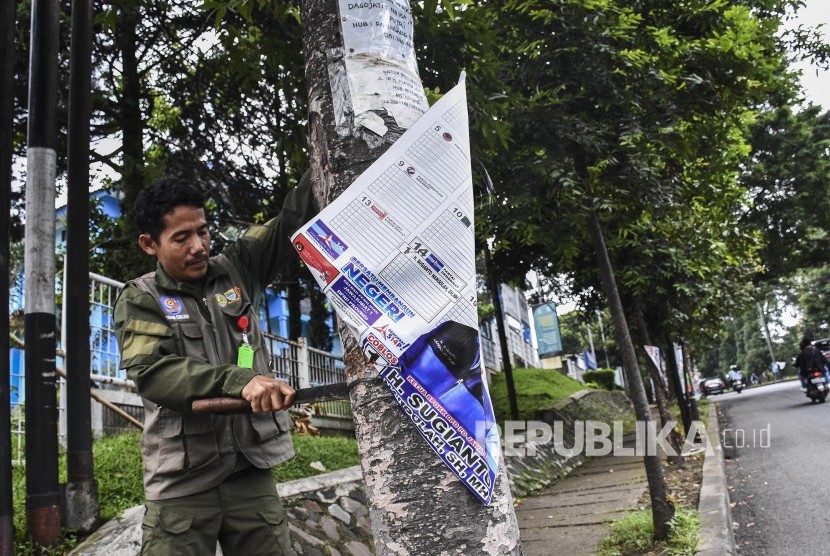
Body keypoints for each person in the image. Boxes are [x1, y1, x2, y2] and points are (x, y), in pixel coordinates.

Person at [114, 173, 316, 555]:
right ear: (148, 244)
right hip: (181, 484)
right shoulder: (141, 299)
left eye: (202, 232)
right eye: (181, 238)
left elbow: (290, 221)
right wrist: (241, 379)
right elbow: (155, 374)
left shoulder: (237, 270)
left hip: (250, 473)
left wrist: (334, 147)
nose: (198, 246)